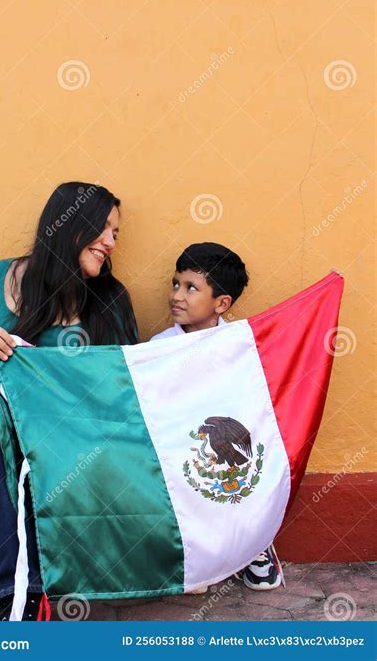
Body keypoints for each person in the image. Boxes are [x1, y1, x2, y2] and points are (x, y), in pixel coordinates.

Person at [0, 182, 138, 620]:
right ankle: (13, 586)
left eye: (116, 234)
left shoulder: (111, 299)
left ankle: (2, 584)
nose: (110, 242)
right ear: (68, 226)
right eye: (103, 229)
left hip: (72, 454)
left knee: (36, 460)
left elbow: (126, 397)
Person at [150, 242, 285, 591]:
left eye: (192, 288)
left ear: (221, 303)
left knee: (251, 459)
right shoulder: (158, 346)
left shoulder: (238, 344)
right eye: (176, 284)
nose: (178, 295)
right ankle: (197, 554)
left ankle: (255, 544)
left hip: (229, 446)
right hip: (183, 446)